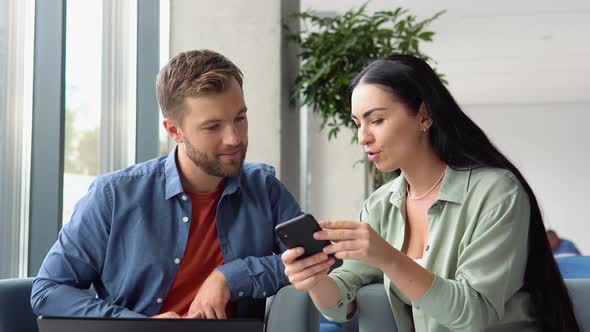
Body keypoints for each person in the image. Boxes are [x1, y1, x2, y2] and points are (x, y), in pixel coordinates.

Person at [282, 55, 580, 331]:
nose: (363, 137)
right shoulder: (380, 205)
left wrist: (387, 257)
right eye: (358, 124)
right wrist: (315, 278)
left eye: (376, 120)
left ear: (424, 115)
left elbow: (471, 312)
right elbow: (341, 303)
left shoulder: (496, 192)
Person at [31, 49, 301, 319]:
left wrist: (231, 277)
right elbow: (49, 289)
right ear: (174, 131)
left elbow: (317, 259)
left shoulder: (264, 188)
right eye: (212, 127)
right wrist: (140, 326)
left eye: (239, 119)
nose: (234, 138)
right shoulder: (113, 196)